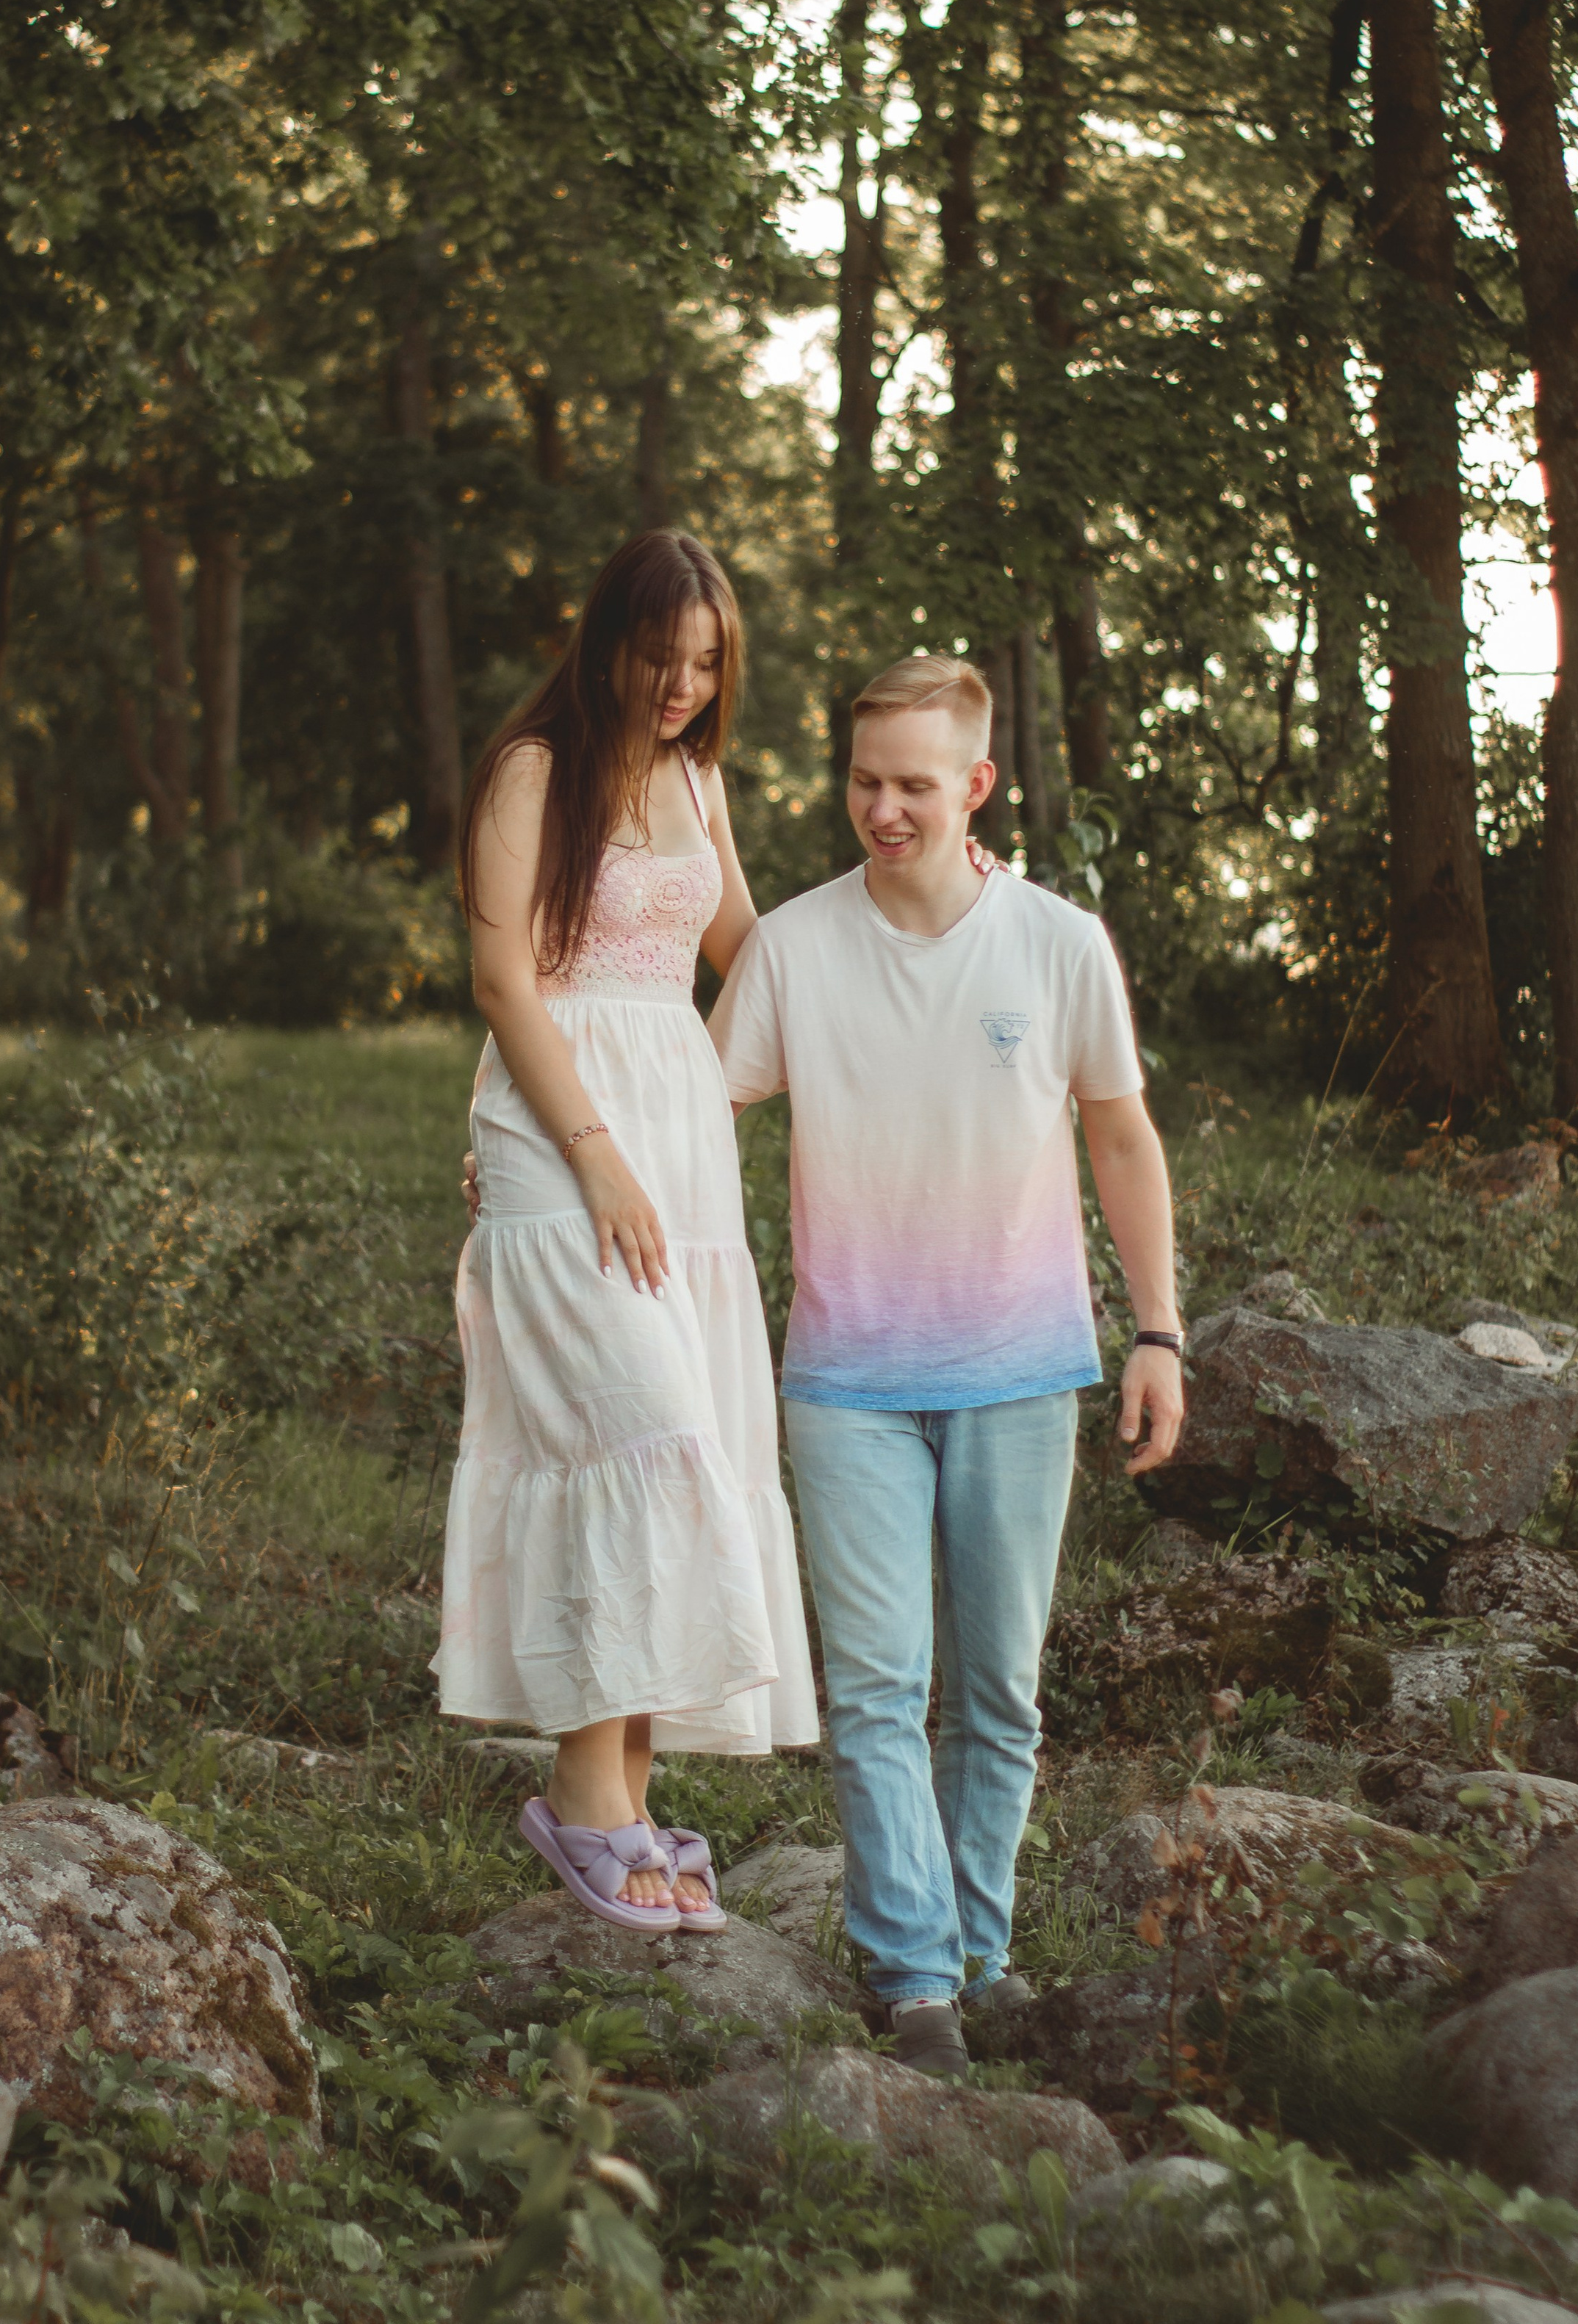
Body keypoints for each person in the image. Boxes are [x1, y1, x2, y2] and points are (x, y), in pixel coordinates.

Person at [707, 653, 1183, 2076]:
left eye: (913, 783)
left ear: (975, 784)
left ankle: (982, 1949)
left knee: (996, 1694)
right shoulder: (789, 948)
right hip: (843, 1376)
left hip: (1021, 1368)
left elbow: (1119, 1136)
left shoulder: (1053, 944)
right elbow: (685, 1109)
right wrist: (550, 1155)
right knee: (870, 1688)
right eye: (863, 780)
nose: (881, 809)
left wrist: (1156, 1331)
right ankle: (915, 1982)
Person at [430, 530, 817, 1933]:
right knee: (632, 1436)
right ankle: (582, 1808)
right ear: (607, 646)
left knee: (693, 1439)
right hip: (562, 1130)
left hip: (682, 1136)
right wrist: (591, 1154)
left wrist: (931, 883)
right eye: (664, 657)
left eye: (709, 662)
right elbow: (500, 975)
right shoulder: (533, 770)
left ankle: (631, 1799)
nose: (684, 683)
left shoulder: (698, 779)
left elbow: (756, 958)